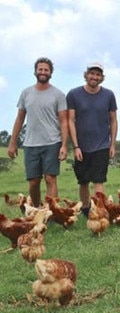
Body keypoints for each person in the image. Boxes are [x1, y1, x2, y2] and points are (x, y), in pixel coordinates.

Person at [7, 57, 69, 207]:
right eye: (40, 69)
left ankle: (53, 212)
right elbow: (20, 119)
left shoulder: (58, 95)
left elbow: (64, 121)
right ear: (35, 71)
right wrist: (12, 142)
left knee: (50, 179)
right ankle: (36, 210)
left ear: (51, 73)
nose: (43, 72)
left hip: (52, 142)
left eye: (46, 70)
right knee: (34, 182)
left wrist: (64, 145)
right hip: (30, 144)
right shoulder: (26, 93)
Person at [67, 62, 118, 216]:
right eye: (92, 73)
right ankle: (85, 210)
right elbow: (70, 120)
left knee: (98, 180)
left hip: (102, 144)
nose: (94, 77)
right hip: (81, 146)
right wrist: (76, 146)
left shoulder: (108, 95)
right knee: (83, 181)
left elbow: (113, 120)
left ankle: (99, 211)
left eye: (98, 74)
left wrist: (113, 144)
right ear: (86, 75)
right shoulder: (73, 94)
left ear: (102, 77)